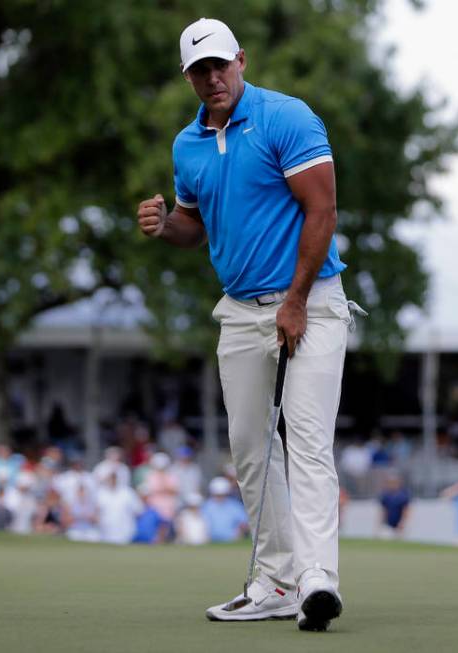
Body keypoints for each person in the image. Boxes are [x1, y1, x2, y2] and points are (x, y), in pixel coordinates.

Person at [138, 17, 357, 630]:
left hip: (309, 302)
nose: (212, 78)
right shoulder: (189, 145)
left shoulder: (287, 117)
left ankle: (318, 578)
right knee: (252, 450)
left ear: (241, 59)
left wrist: (294, 300)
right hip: (238, 311)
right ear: (187, 77)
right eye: (198, 71)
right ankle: (275, 581)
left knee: (307, 440)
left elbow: (323, 209)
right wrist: (163, 226)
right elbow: (194, 224)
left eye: (219, 65)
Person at [94, 470, 142, 544]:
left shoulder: (127, 492)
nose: (112, 480)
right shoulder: (101, 493)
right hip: (105, 532)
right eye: (110, 478)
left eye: (114, 477)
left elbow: (138, 511)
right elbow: (95, 511)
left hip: (126, 532)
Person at [201, 476, 249, 543]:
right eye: (217, 495)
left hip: (232, 541)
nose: (220, 497)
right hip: (210, 541)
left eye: (222, 494)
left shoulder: (235, 506)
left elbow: (245, 523)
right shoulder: (206, 506)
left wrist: (240, 531)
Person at [377, 473, 410, 539]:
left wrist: (402, 523)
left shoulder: (403, 495)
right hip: (388, 524)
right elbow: (384, 510)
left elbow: (405, 510)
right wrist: (381, 522)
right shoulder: (386, 495)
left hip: (399, 524)